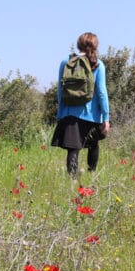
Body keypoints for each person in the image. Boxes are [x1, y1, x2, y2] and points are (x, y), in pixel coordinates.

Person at [51, 32, 110, 175]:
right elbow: (102, 92)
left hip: (70, 113)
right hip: (92, 115)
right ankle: (91, 175)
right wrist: (106, 117)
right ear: (95, 46)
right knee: (93, 145)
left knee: (73, 148)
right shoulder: (98, 64)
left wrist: (61, 113)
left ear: (79, 45)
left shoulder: (66, 62)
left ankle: (71, 180)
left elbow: (60, 90)